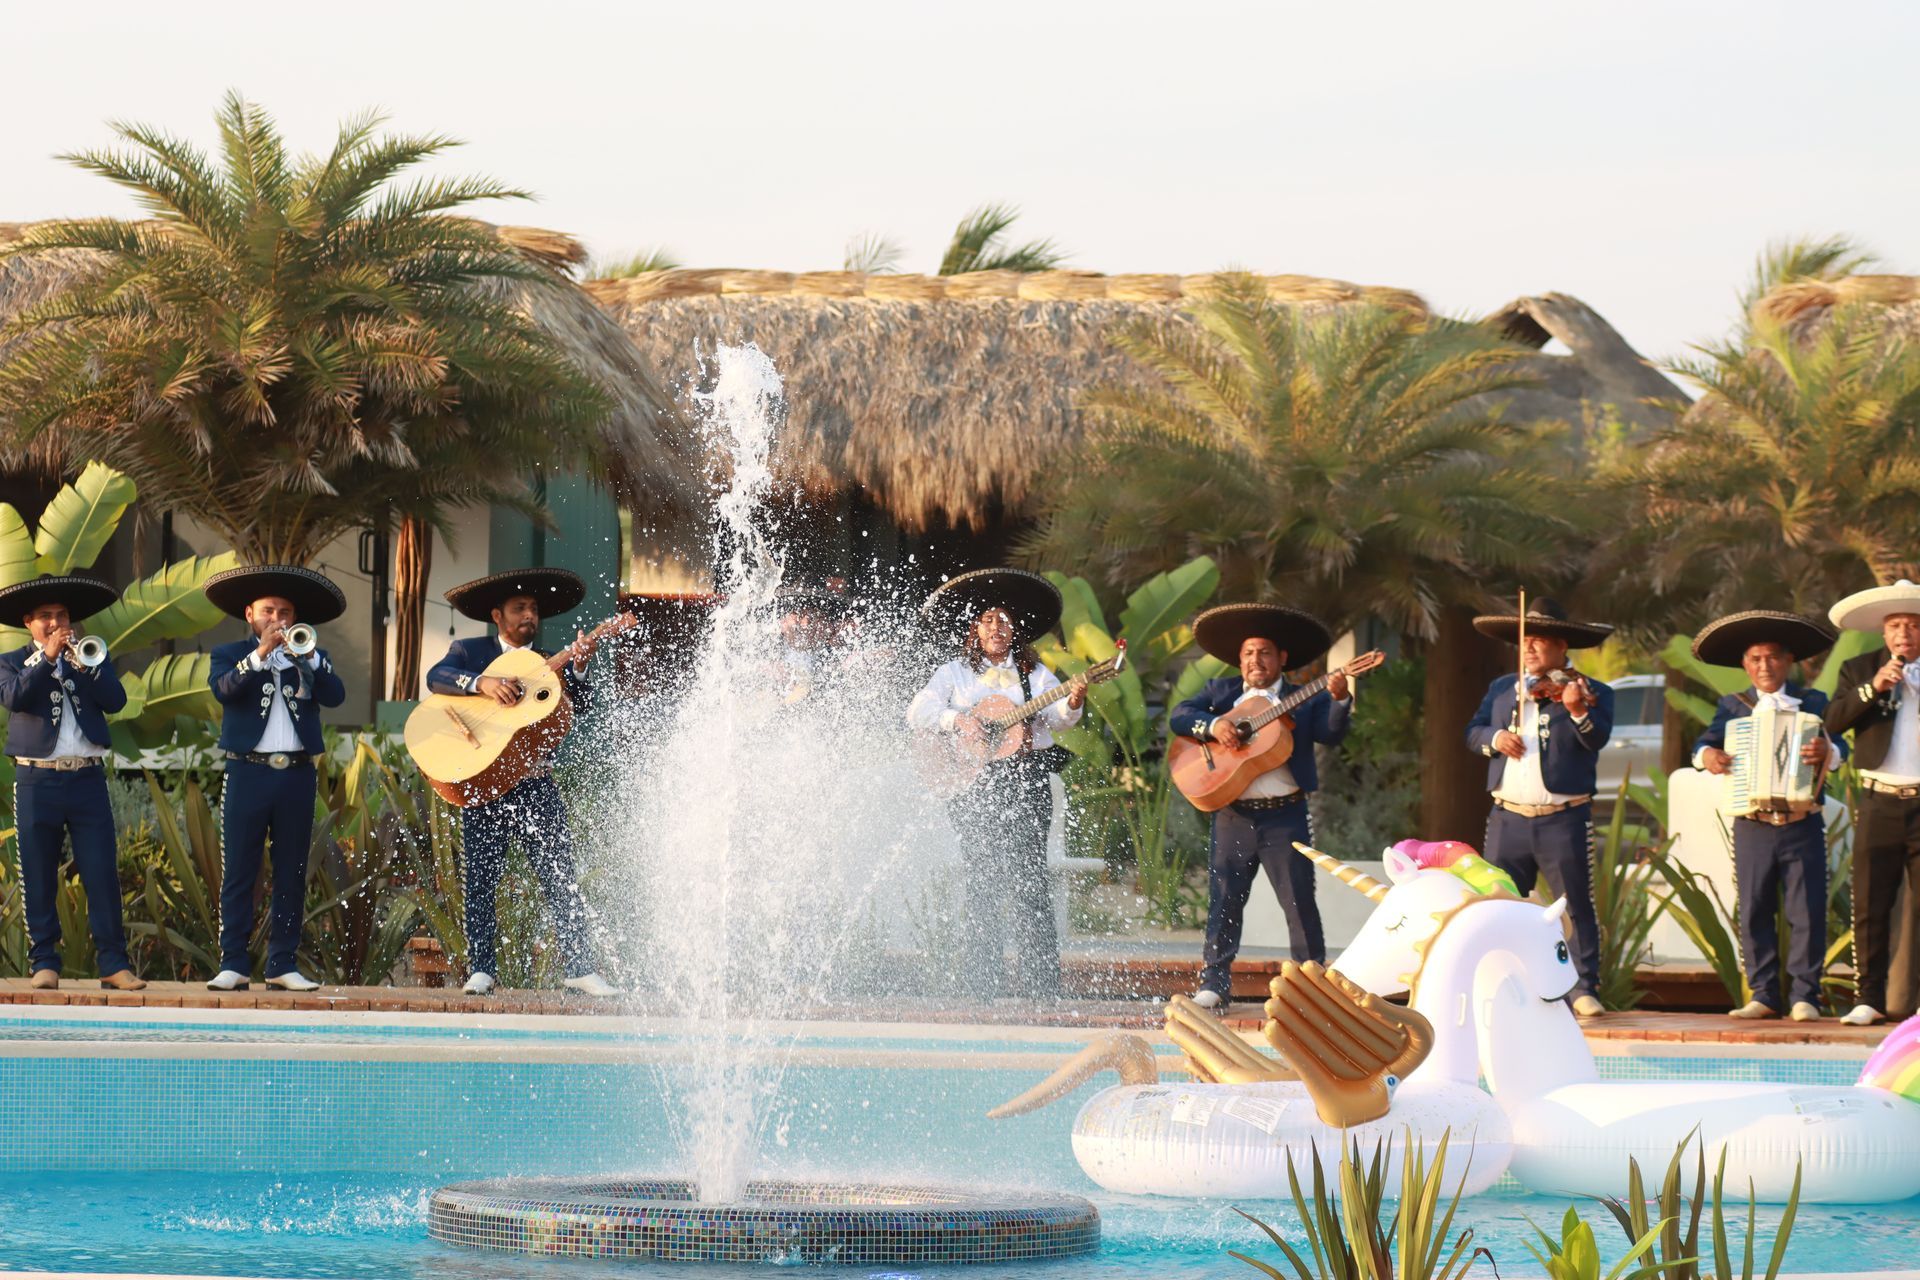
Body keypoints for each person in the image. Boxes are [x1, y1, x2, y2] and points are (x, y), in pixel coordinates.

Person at [426, 568, 617, 998]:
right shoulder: (470, 650)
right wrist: (483, 683)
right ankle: (482, 969)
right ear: (498, 615)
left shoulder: (549, 660)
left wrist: (581, 667)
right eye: (519, 608)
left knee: (560, 873)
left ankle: (580, 968)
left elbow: (581, 705)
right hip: (485, 783)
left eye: (533, 608)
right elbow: (435, 677)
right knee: (481, 877)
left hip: (535, 782)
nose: (529, 614)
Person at [908, 568, 1086, 1000]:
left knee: (1030, 879)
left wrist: (1074, 701)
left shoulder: (1037, 675)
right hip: (975, 784)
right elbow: (918, 713)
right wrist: (960, 719)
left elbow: (1060, 715)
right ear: (975, 629)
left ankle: (1043, 987)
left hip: (1025, 781)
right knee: (983, 880)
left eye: (1004, 621)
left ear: (1014, 632)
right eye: (988, 620)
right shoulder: (954, 673)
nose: (996, 628)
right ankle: (979, 984)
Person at [1169, 604, 1351, 1009]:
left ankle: (1311, 987)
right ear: (1240, 658)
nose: (1256, 660)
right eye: (1249, 652)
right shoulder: (1221, 693)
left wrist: (1340, 700)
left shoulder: (1302, 700)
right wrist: (1215, 725)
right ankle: (1214, 985)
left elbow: (1331, 734)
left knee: (1299, 902)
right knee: (1224, 900)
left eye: (1265, 652)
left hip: (1285, 815)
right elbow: (1180, 716)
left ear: (1281, 659)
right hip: (1233, 814)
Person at [1690, 611, 1845, 1021]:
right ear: (1745, 664)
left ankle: (1805, 997)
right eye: (1756, 659)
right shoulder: (1733, 706)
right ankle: (1763, 994)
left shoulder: (1813, 703)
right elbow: (1702, 744)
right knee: (1755, 907)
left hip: (1802, 820)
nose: (1764, 666)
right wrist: (1710, 757)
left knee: (1806, 910)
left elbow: (1841, 748)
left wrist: (1828, 753)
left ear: (1788, 660)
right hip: (1753, 823)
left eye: (1773, 657)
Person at [1464, 598, 1614, 1018]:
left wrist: (1577, 709)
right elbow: (1472, 731)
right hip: (1508, 817)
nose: (1529, 649)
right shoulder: (1501, 688)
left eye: (1540, 641)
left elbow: (1595, 739)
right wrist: (1494, 739)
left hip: (1562, 819)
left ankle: (1585, 988)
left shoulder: (1594, 691)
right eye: (1524, 641)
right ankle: (1498, 982)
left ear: (1562, 647)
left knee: (1574, 904)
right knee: (1498, 902)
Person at [203, 565, 347, 992]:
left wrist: (312, 659)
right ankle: (233, 963)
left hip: (297, 775)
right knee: (240, 871)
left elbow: (336, 695)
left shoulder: (311, 654)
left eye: (285, 612)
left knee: (292, 870)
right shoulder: (229, 654)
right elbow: (223, 690)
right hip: (247, 770)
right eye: (269, 611)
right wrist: (261, 655)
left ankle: (282, 963)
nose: (278, 620)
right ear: (250, 614)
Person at [0, 574, 144, 992]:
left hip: (86, 777)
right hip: (35, 778)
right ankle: (44, 962)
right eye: (45, 616)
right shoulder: (11, 660)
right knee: (38, 870)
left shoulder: (90, 656)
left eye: (61, 616)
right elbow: (14, 697)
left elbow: (115, 702)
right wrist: (46, 659)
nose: (55, 623)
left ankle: (114, 964)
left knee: (101, 870)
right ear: (29, 622)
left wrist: (90, 668)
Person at [1825, 578, 1920, 1026]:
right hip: (1880, 799)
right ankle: (1868, 998)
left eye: (1914, 625)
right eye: (1896, 626)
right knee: (1870, 901)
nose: (1904, 634)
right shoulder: (1861, 668)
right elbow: (1833, 719)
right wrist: (1874, 688)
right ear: (1884, 633)